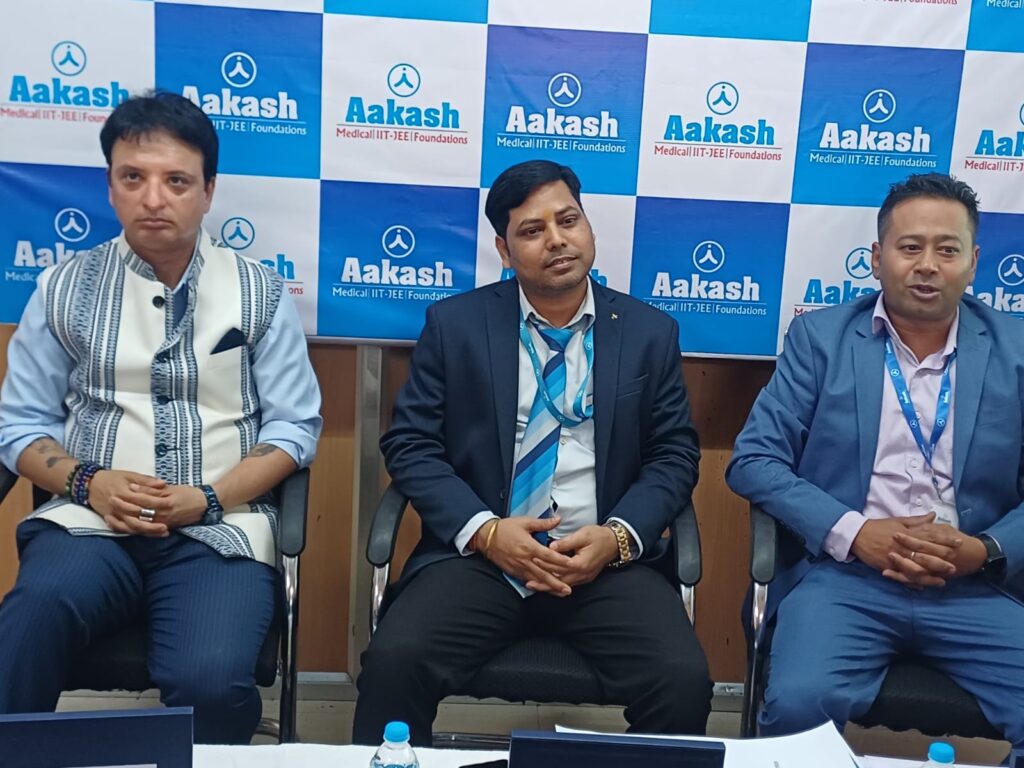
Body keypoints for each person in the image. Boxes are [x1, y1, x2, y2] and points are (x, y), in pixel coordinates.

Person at [0, 91, 322, 744]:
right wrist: (90, 483)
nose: (153, 199)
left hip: (221, 529)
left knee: (211, 681)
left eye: (176, 181)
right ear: (110, 186)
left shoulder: (258, 290)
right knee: (25, 627)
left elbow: (294, 427)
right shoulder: (62, 287)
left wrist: (206, 498)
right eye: (133, 178)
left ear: (208, 191)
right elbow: (20, 425)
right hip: (89, 522)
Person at [353, 159, 711, 745]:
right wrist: (486, 532)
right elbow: (410, 443)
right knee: (395, 661)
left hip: (603, 559)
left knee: (682, 679)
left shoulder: (649, 332)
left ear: (587, 226)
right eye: (532, 230)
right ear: (504, 248)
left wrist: (617, 537)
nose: (557, 240)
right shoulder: (456, 325)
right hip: (483, 558)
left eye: (568, 220)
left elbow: (674, 453)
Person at [727, 173, 1024, 744]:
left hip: (970, 584)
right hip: (845, 579)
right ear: (876, 258)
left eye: (947, 250)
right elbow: (754, 459)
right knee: (797, 706)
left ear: (973, 262)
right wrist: (855, 532)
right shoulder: (820, 339)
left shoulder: (1014, 351)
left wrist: (985, 550)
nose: (927, 265)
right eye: (910, 247)